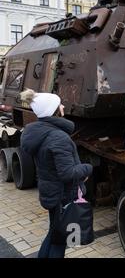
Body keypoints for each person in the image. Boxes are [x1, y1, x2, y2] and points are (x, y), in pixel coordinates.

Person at [20, 89, 93, 258]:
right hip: (63, 195)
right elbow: (67, 173)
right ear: (53, 111)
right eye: (59, 104)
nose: (63, 106)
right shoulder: (58, 137)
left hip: (51, 192)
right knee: (60, 241)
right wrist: (87, 168)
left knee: (54, 234)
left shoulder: (40, 133)